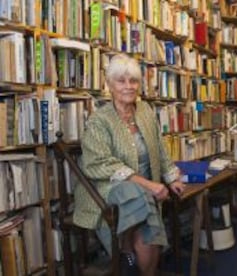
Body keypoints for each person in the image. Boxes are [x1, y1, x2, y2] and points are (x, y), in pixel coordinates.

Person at [74, 54, 185, 276]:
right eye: (121, 81)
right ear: (109, 85)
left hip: (143, 187)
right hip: (108, 187)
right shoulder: (99, 120)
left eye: (133, 81)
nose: (128, 86)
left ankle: (129, 257)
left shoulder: (145, 111)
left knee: (147, 223)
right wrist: (150, 185)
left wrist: (172, 176)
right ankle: (126, 253)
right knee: (140, 196)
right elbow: (100, 165)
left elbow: (159, 148)